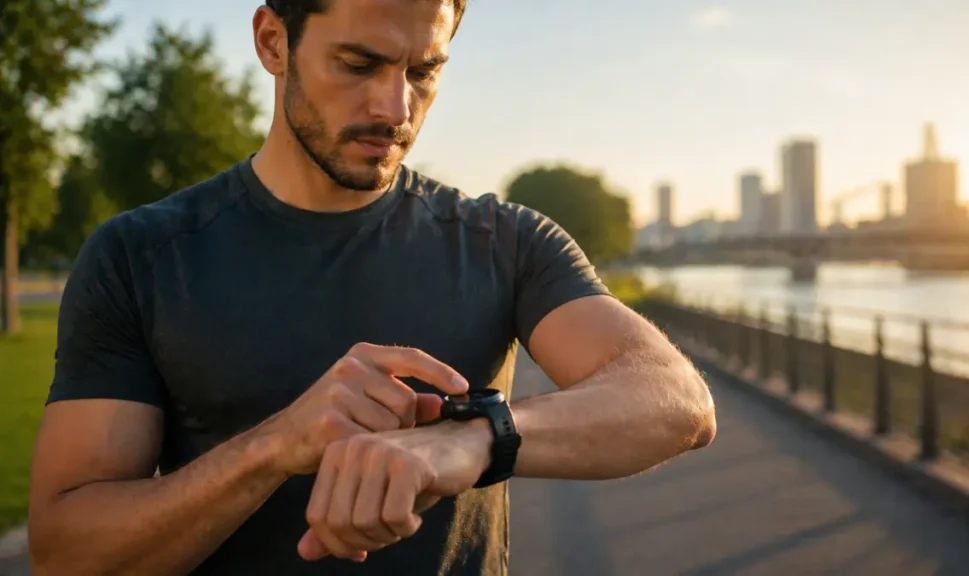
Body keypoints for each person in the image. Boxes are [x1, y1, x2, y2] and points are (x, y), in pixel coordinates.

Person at [27, 0, 717, 574]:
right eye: (359, 64)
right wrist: (269, 451)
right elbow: (64, 554)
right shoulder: (137, 255)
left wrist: (474, 439)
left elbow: (676, 401)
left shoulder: (505, 240)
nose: (395, 107)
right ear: (274, 41)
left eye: (424, 71)